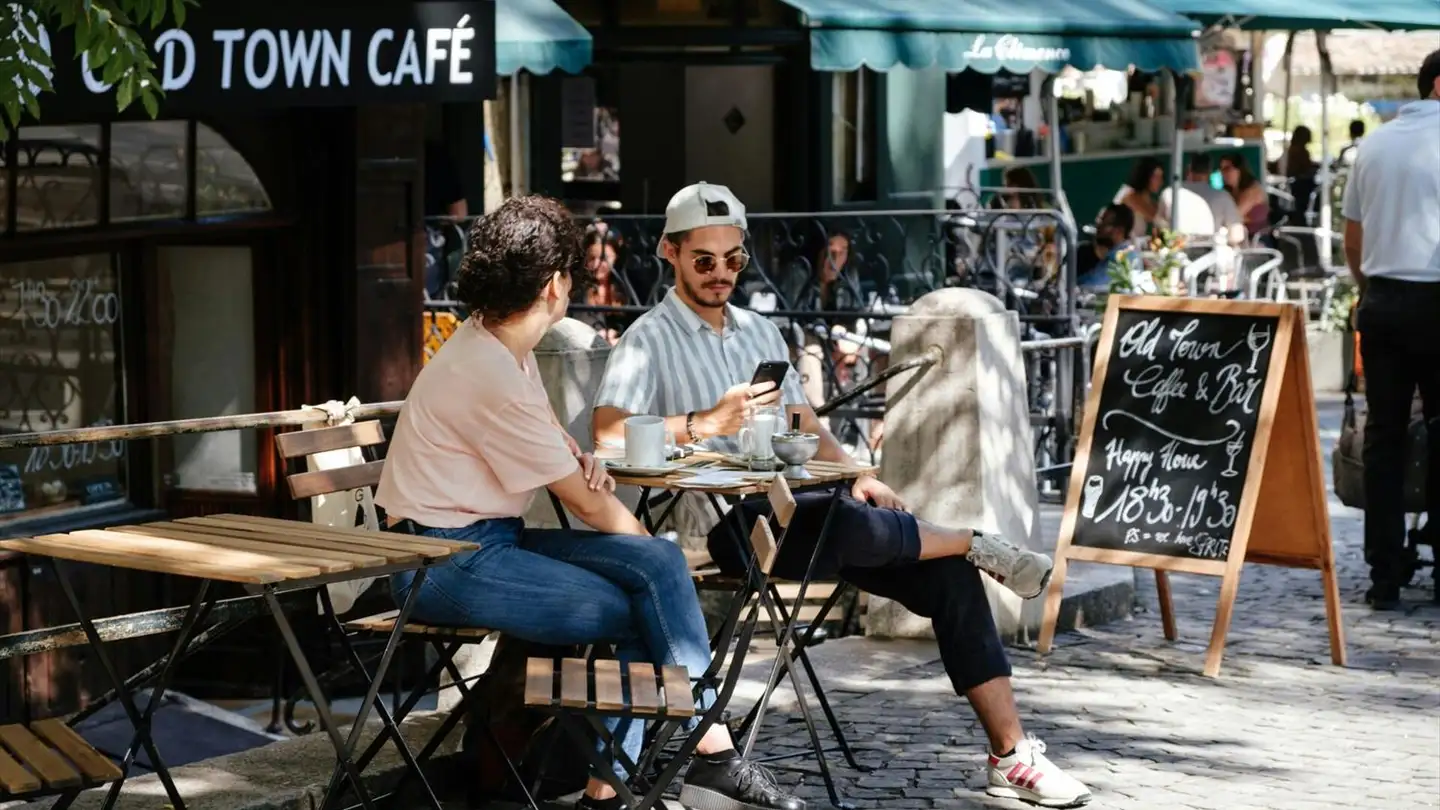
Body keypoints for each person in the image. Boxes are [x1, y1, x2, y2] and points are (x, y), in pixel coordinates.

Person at [592, 182, 1093, 809]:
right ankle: (971, 537)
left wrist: (857, 470)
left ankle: (1011, 754)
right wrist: (704, 423)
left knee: (946, 575)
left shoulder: (757, 331)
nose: (721, 273)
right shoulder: (647, 338)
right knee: (863, 527)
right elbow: (607, 433)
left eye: (734, 258)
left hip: (800, 512)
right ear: (670, 252)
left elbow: (804, 425)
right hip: (717, 529)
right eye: (704, 260)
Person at [375, 195, 805, 810]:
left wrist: (580, 461)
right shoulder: (490, 372)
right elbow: (589, 508)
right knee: (642, 599)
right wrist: (608, 508)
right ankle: (695, 758)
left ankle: (626, 784)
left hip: (485, 540)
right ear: (554, 284)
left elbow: (553, 442)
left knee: (658, 566)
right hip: (442, 563)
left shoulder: (500, 346)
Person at [1341, 49, 1440, 610]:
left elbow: (1353, 239)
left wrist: (1368, 288)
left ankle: (1383, 571)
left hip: (1381, 300)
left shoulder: (1374, 144)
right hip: (1435, 300)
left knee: (1385, 436)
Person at [1158, 154, 1244, 245]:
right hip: (1210, 253)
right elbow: (1237, 235)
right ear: (1210, 172)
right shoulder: (1222, 196)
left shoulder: (1170, 193)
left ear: (1189, 170)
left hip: (1177, 253)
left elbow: (1159, 228)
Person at [576, 228, 629, 345]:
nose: (596, 264)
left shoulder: (628, 288)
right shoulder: (579, 289)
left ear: (616, 257)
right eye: (591, 258)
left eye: (604, 258)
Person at [1076, 204, 1137, 291]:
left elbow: (1092, 284)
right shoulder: (1114, 254)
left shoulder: (1123, 257)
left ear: (1119, 231)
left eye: (1103, 222)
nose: (1098, 225)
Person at [1219, 153, 1269, 241]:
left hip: (1256, 241)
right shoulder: (1228, 192)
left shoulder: (1253, 190)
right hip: (1236, 238)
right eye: (1221, 169)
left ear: (1239, 170)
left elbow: (1234, 217)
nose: (1223, 173)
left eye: (1227, 169)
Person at [1113, 157, 1165, 239]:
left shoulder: (1144, 196)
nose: (1160, 181)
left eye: (1161, 177)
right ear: (1145, 177)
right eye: (1156, 177)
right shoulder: (1130, 195)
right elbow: (1154, 215)